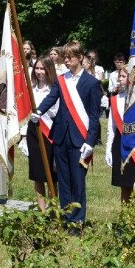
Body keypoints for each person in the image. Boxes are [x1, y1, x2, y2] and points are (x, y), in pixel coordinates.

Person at [32, 40, 101, 234]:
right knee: (63, 180)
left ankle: (77, 222)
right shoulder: (62, 80)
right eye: (65, 58)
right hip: (61, 137)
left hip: (80, 139)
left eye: (70, 58)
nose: (67, 61)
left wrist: (90, 141)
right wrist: (38, 111)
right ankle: (66, 218)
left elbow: (95, 116)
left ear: (80, 58)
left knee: (77, 180)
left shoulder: (92, 83)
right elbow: (51, 98)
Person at [105, 65, 135, 203]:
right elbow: (111, 128)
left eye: (123, 76)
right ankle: (125, 219)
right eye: (119, 76)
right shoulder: (115, 99)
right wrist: (108, 150)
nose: (119, 79)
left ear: (132, 78)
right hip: (120, 146)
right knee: (124, 185)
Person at [18, 56, 57, 211]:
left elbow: (56, 110)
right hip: (33, 133)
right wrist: (23, 136)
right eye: (37, 68)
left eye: (43, 68)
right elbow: (25, 113)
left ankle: (54, 210)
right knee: (37, 174)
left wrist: (42, 112)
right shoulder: (31, 89)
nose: (40, 72)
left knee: (51, 176)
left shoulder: (54, 89)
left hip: (49, 133)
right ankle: (42, 211)